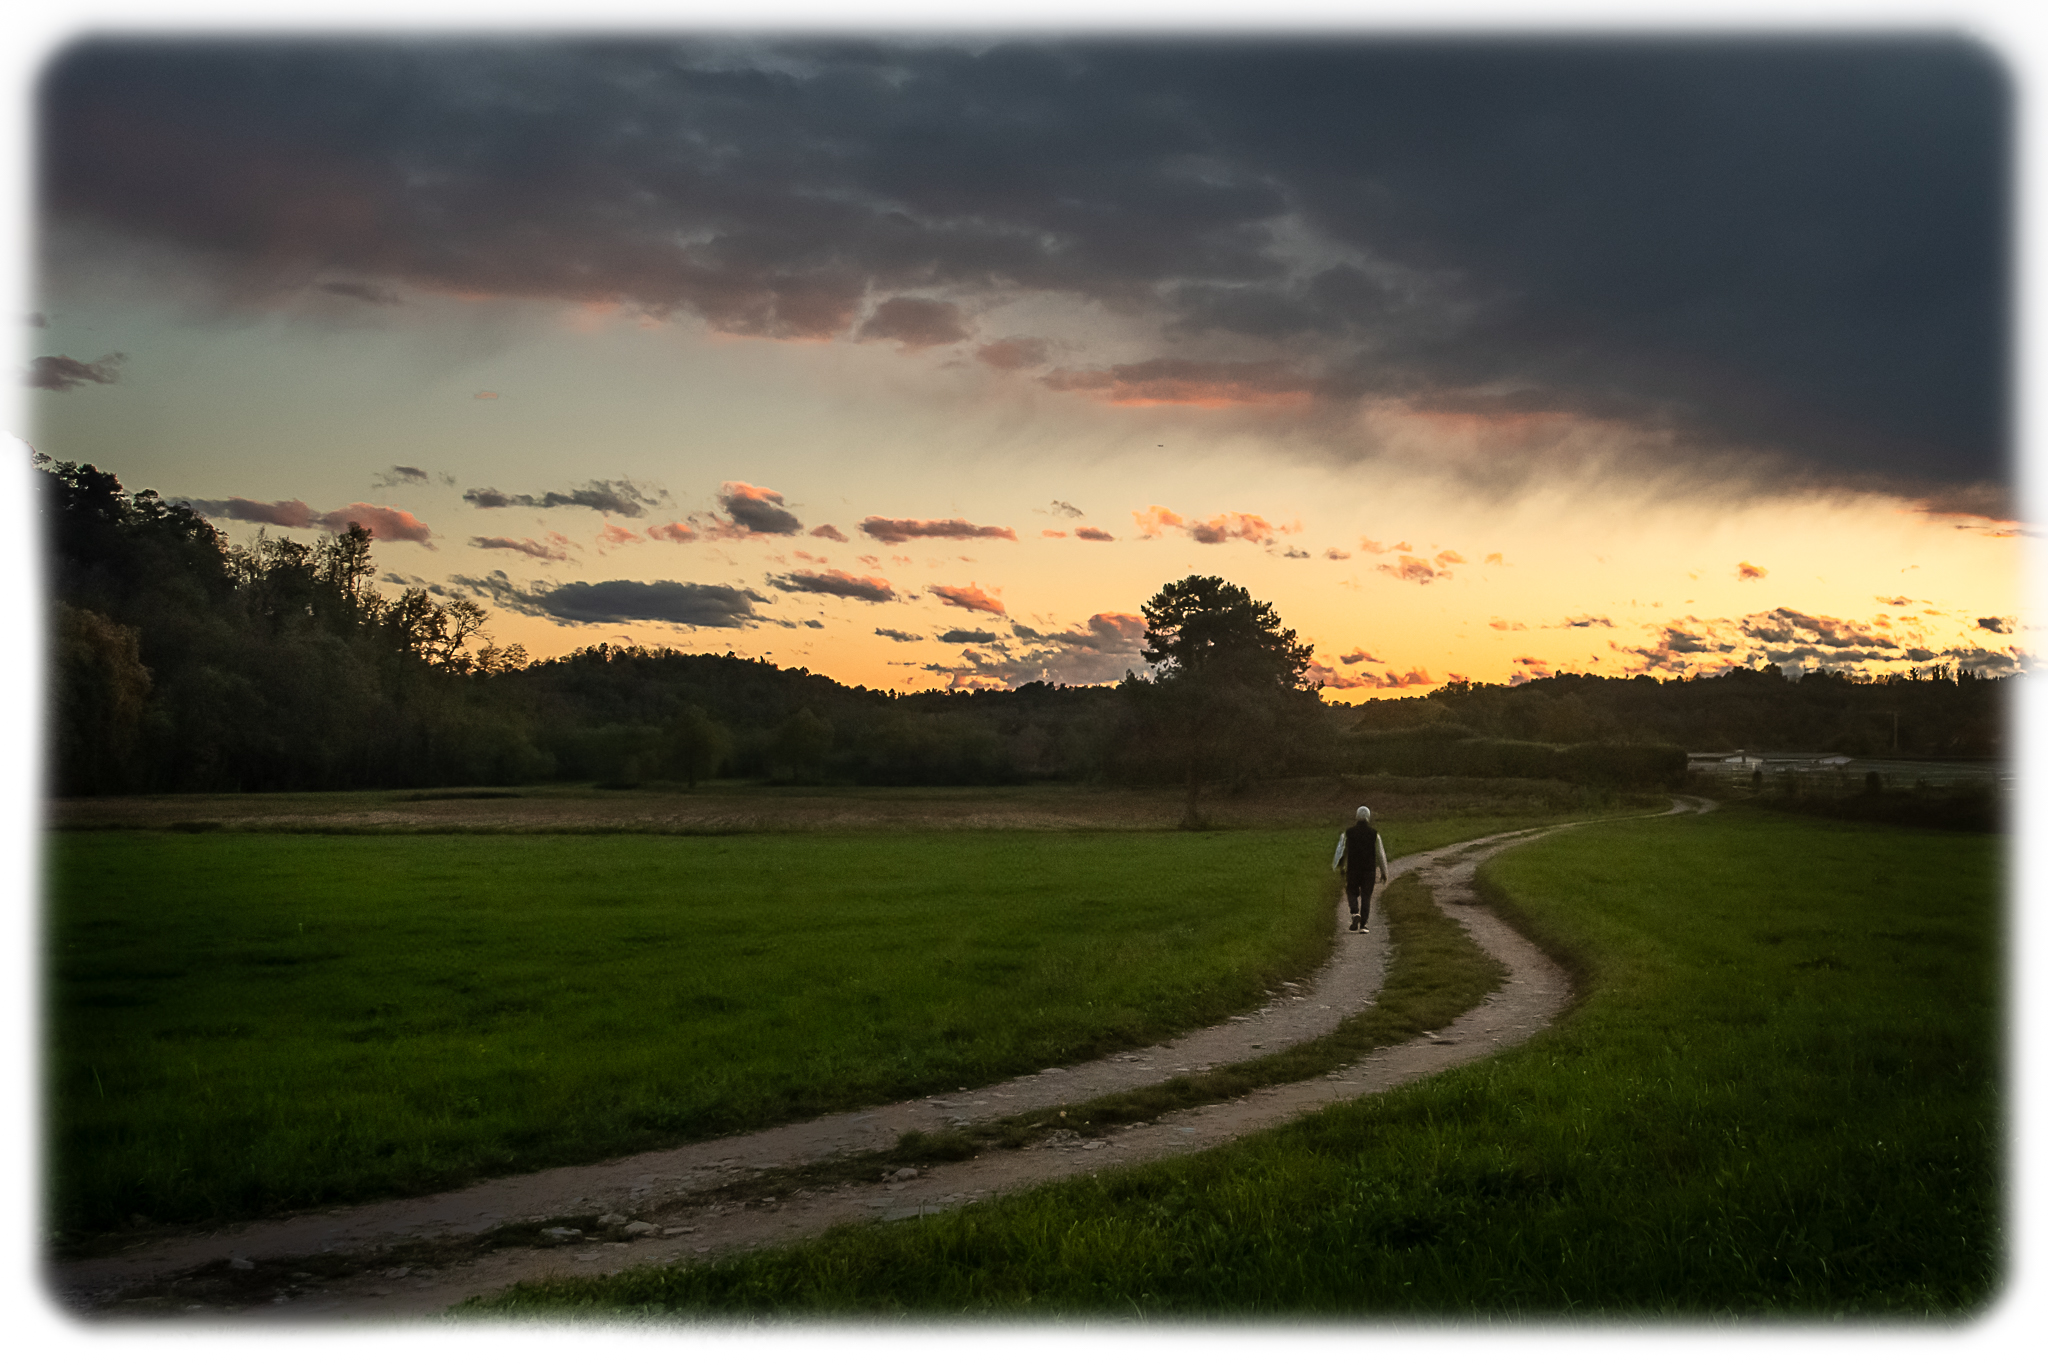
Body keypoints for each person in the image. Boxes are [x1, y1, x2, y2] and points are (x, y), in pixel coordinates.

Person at [1331, 804, 1388, 933]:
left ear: (1356, 817)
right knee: (1366, 896)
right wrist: (1384, 872)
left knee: (1351, 891)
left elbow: (1341, 850)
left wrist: (1338, 866)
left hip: (1353, 869)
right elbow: (1381, 854)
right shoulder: (1374, 834)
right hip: (1369, 870)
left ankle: (1355, 913)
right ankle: (1364, 925)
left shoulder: (1348, 833)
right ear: (1368, 817)